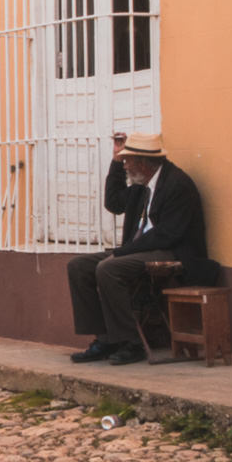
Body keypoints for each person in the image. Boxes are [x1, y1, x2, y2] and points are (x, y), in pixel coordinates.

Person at [65, 132, 208, 365]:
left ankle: (132, 342)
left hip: (173, 251)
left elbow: (166, 235)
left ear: (142, 162)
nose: (125, 166)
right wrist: (114, 161)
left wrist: (123, 252)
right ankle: (105, 338)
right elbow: (113, 202)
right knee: (78, 266)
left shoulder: (177, 184)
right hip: (141, 249)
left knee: (108, 268)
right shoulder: (142, 185)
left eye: (126, 161)